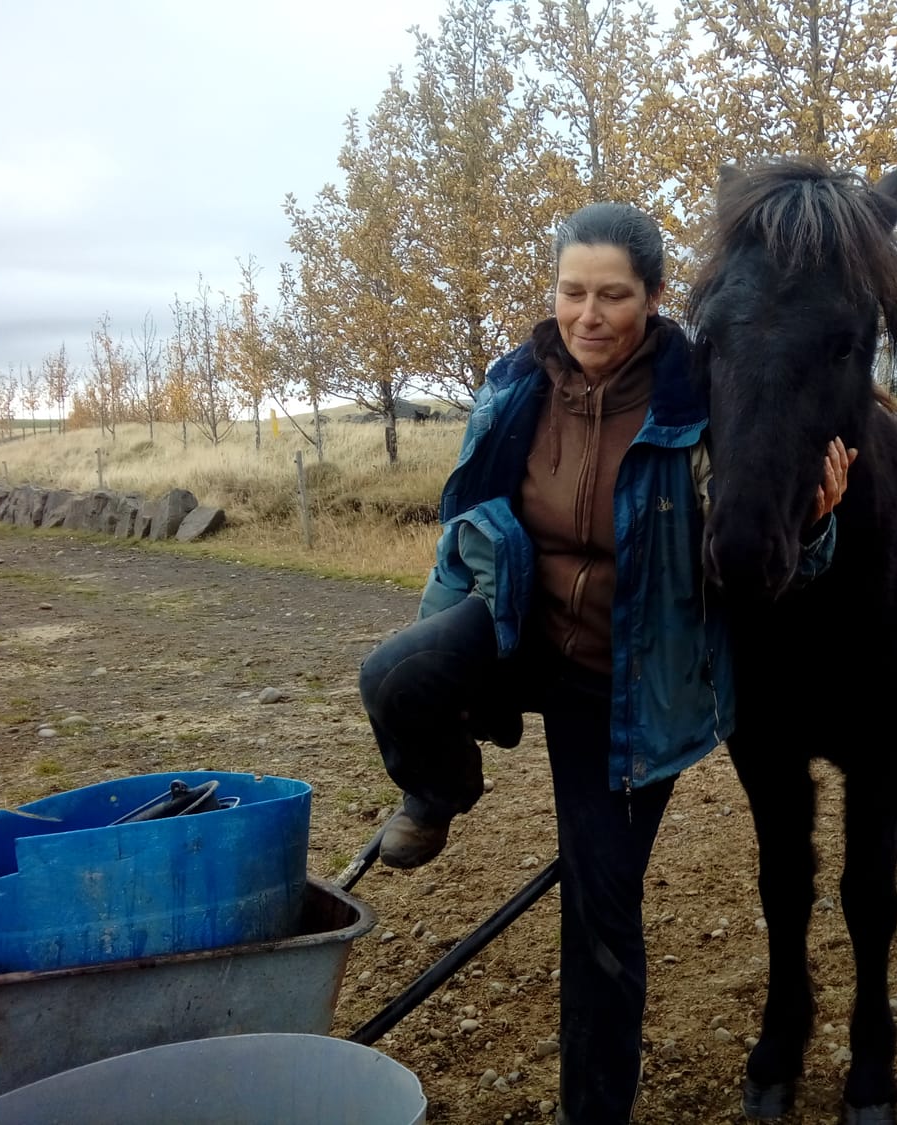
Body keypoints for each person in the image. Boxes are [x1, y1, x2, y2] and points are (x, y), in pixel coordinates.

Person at [358, 201, 853, 1125]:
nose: (588, 315)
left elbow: (760, 553)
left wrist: (816, 525)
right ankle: (442, 790)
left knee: (601, 923)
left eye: (613, 295)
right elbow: (465, 520)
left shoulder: (697, 402)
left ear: (656, 299)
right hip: (513, 630)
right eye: (571, 291)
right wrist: (441, 652)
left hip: (618, 684)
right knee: (393, 677)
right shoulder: (515, 385)